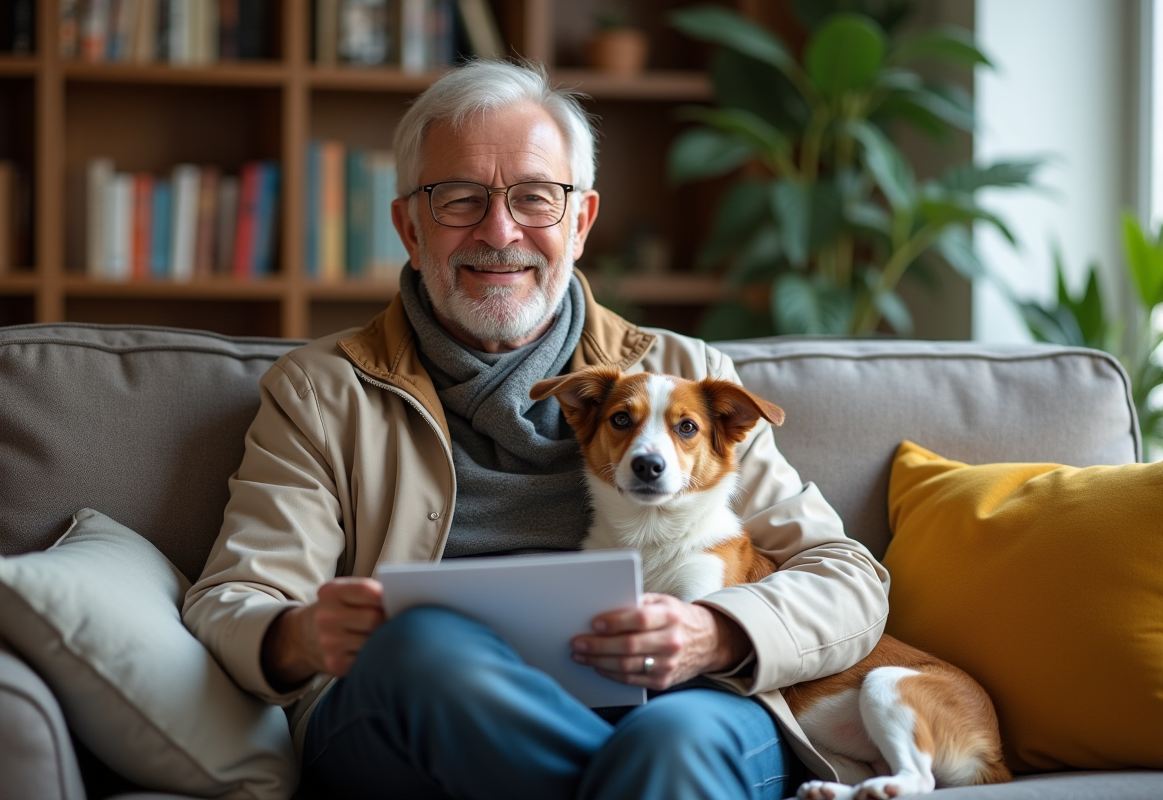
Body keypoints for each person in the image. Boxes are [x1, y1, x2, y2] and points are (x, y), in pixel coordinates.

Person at [183, 59, 890, 800]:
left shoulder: (687, 375)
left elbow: (847, 578)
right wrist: (298, 636)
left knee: (674, 737)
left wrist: (719, 635)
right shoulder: (321, 392)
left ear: (579, 222)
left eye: (535, 198)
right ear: (409, 227)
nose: (499, 230)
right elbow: (234, 597)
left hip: (678, 702)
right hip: (421, 699)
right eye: (458, 199)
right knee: (422, 648)